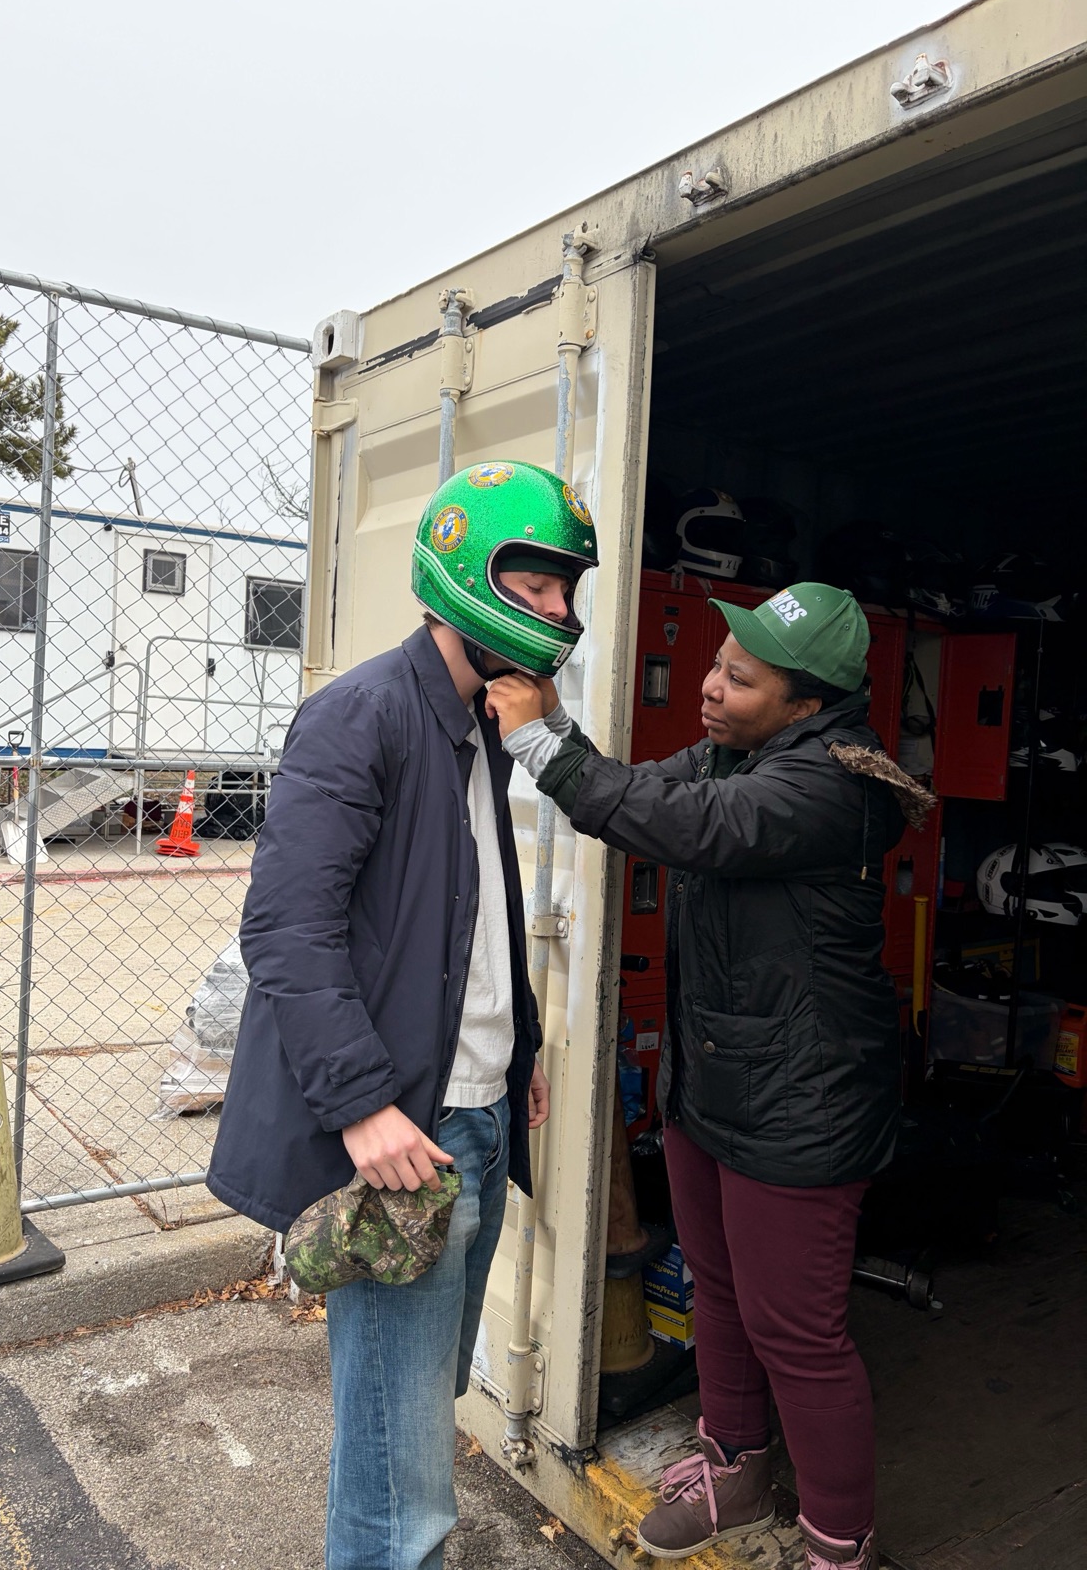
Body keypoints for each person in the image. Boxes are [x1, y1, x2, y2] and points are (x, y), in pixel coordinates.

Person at [487, 582, 935, 1570]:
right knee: (722, 1291)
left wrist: (539, 742)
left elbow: (683, 828)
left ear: (807, 704)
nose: (710, 686)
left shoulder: (829, 786)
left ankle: (837, 1544)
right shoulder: (740, 751)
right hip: (717, 1081)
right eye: (715, 662)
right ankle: (735, 1471)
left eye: (741, 677)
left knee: (799, 1333)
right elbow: (651, 795)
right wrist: (555, 722)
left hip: (803, 1101)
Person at [207, 459, 599, 1570]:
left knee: (404, 1432)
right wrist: (366, 1108)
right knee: (406, 1490)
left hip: (469, 1117)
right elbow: (286, 929)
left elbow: (469, 907)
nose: (562, 610)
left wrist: (512, 1042)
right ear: (466, 576)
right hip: (404, 1141)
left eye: (567, 587)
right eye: (538, 585)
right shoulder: (362, 713)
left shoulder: (479, 723)